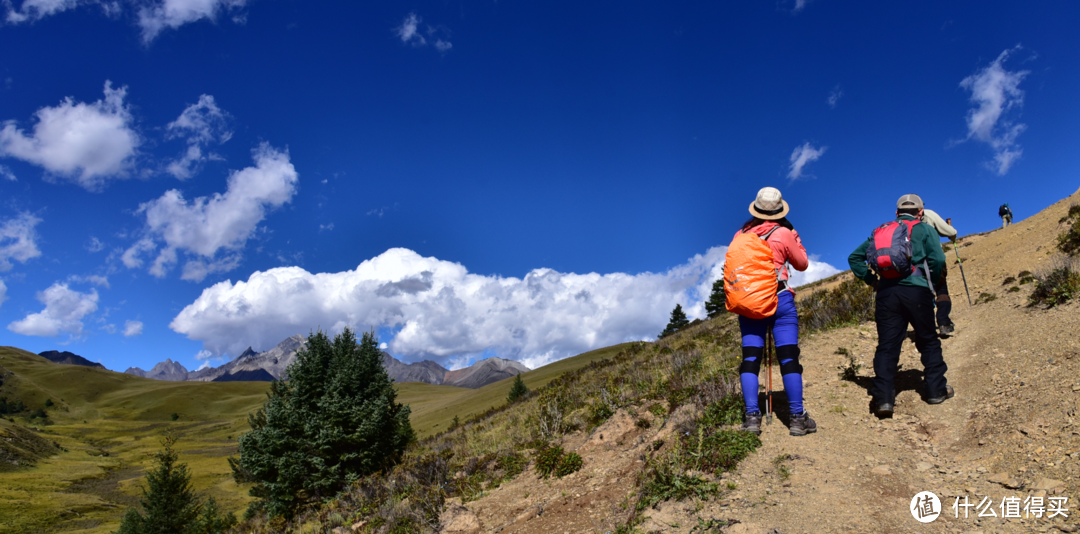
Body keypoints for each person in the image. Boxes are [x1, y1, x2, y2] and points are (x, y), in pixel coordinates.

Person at [848, 194, 953, 418]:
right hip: (917, 291)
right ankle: (936, 390)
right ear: (920, 212)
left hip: (887, 294)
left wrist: (873, 281)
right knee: (928, 339)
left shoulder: (880, 232)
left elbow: (855, 258)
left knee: (887, 345)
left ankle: (884, 399)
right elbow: (938, 260)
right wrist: (931, 283)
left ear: (896, 213)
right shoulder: (925, 230)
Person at [732, 187, 816, 436]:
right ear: (780, 210)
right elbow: (802, 264)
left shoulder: (740, 234)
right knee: (789, 357)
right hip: (780, 300)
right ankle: (797, 417)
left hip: (750, 303)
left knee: (750, 359)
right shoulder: (783, 232)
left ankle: (751, 417)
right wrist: (795, 237)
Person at [921, 208, 957, 335]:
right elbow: (949, 232)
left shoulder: (901, 222)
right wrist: (952, 232)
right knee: (941, 289)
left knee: (923, 292)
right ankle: (943, 322)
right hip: (933, 257)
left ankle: (925, 325)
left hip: (914, 262)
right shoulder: (928, 214)